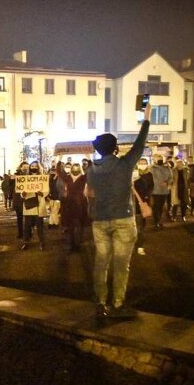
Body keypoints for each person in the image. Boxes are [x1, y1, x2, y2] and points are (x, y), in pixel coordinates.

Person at [86, 102, 151, 319]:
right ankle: (118, 303)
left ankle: (100, 303)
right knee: (121, 265)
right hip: (123, 218)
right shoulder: (124, 165)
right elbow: (140, 144)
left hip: (100, 220)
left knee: (101, 263)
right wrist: (146, 119)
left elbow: (92, 193)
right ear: (115, 148)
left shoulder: (90, 170)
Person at [55, 162, 89, 252]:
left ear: (80, 169)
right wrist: (59, 160)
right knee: (70, 227)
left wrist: (89, 159)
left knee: (78, 226)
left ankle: (78, 245)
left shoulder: (83, 178)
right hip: (69, 205)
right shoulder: (68, 178)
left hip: (80, 205)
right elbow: (59, 172)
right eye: (74, 168)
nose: (75, 170)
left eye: (77, 168)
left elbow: (90, 171)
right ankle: (71, 245)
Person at [20, 161, 49, 251]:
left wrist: (41, 193)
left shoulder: (42, 178)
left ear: (38, 167)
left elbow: (47, 190)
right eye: (32, 166)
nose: (34, 167)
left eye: (35, 166)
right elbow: (21, 190)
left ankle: (41, 242)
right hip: (29, 204)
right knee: (27, 226)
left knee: (40, 225)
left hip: (39, 204)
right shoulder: (26, 178)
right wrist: (23, 193)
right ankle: (26, 242)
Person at [133, 158, 154, 255]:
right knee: (136, 225)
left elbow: (150, 188)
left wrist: (146, 199)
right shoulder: (133, 174)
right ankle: (137, 244)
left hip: (142, 203)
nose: (142, 165)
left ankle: (140, 245)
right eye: (141, 163)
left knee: (141, 224)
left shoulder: (149, 175)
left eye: (144, 163)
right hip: (132, 203)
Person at [150, 155, 172, 229]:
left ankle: (158, 221)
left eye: (161, 159)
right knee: (156, 207)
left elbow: (171, 177)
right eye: (158, 159)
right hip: (155, 191)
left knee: (160, 207)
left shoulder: (167, 168)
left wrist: (167, 183)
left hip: (164, 191)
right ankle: (157, 222)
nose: (160, 160)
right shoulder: (152, 168)